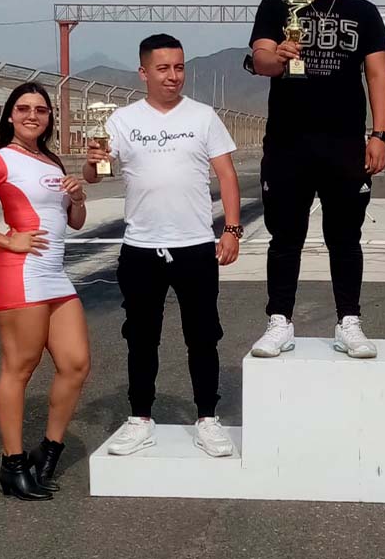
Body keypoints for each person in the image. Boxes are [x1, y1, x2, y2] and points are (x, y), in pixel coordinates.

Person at [84, 34, 242, 458]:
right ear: (144, 73)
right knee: (141, 337)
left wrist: (231, 229)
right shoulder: (121, 120)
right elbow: (96, 174)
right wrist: (92, 161)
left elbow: (226, 175)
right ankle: (140, 418)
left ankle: (207, 417)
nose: (173, 76)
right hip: (141, 248)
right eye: (163, 68)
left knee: (203, 336)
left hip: (195, 246)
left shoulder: (203, 116)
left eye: (179, 67)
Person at [246, 0, 385, 360]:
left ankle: (349, 321)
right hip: (288, 143)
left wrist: (379, 134)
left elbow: (378, 74)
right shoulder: (276, 5)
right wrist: (277, 56)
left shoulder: (363, 12)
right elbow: (260, 59)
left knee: (344, 237)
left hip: (344, 144)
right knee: (284, 237)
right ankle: (279, 321)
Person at [0, 82, 91, 501]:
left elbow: (74, 222)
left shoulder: (51, 159)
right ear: (10, 115)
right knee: (20, 368)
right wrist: (7, 240)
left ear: (49, 118)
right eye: (24, 108)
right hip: (16, 272)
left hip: (53, 273)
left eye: (41, 110)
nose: (32, 115)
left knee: (76, 364)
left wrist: (78, 197)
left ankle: (48, 451)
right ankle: (12, 466)